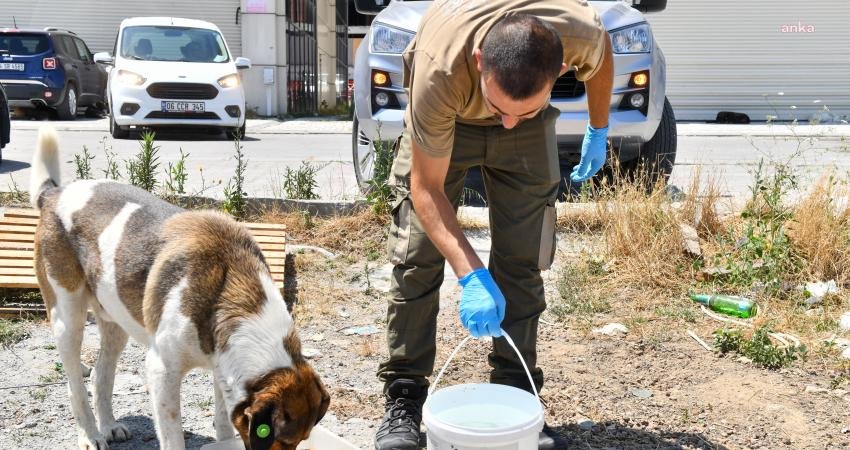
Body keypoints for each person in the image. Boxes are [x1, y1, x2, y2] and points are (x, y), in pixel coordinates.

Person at [374, 0, 613, 448]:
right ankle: (404, 395)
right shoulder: (439, 70)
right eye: (498, 107)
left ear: (560, 68)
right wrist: (472, 275)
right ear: (481, 60)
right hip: (451, 115)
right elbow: (427, 191)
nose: (504, 123)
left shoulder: (578, 30)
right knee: (417, 254)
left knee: (524, 259)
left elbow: (602, 58)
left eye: (518, 111)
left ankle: (516, 394)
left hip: (527, 120)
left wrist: (598, 127)